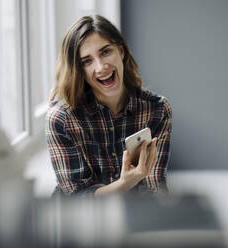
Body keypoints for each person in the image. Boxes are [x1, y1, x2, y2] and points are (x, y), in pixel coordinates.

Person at [46, 15, 172, 197]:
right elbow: (76, 198)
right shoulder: (61, 119)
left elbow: (154, 188)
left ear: (121, 51)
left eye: (105, 52)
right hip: (79, 221)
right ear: (78, 70)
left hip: (133, 216)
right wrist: (124, 184)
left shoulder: (157, 109)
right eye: (87, 61)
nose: (101, 67)